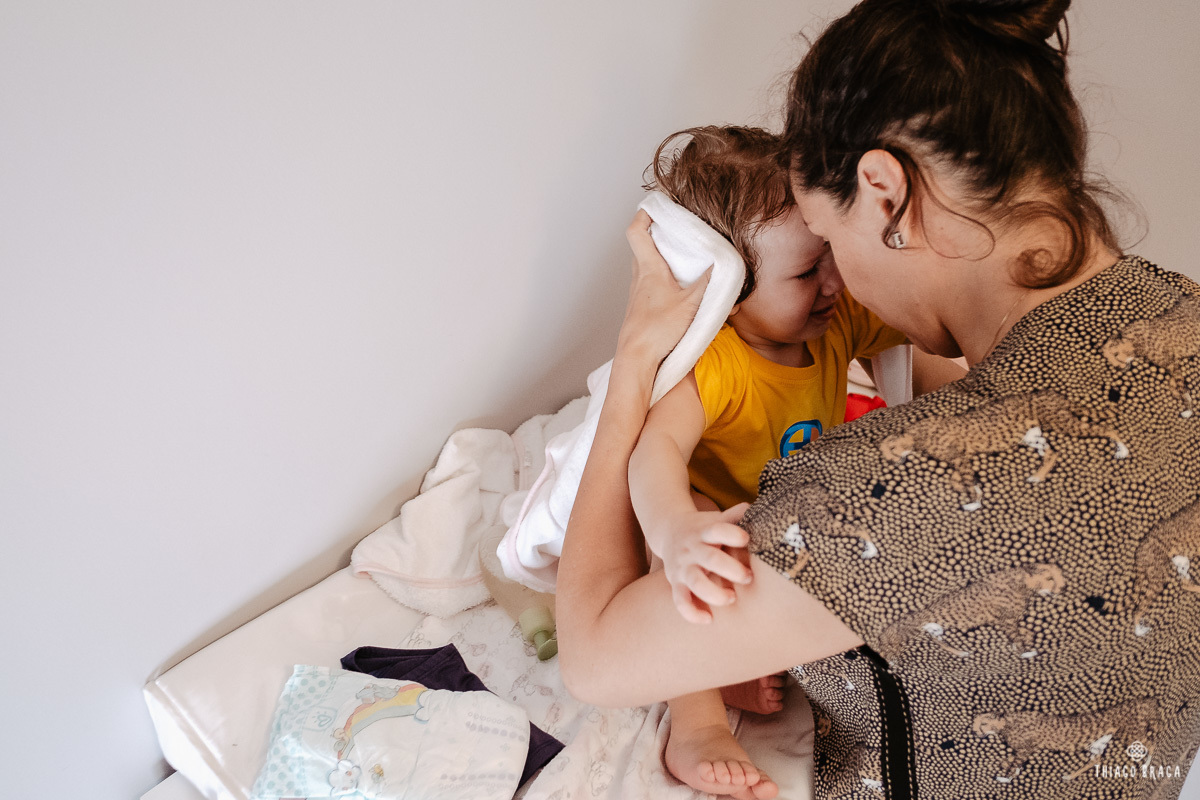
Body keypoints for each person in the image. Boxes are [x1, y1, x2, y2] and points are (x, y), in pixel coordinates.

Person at [555, 1, 1200, 799]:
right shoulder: (1181, 314)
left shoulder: (883, 500)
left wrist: (634, 357)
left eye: (830, 238)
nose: (841, 284)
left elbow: (592, 655)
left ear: (884, 193)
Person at [627, 125, 926, 795]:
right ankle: (698, 721)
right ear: (727, 290)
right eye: (805, 273)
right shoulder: (719, 364)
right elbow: (653, 453)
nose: (833, 282)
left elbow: (922, 325)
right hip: (721, 527)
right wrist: (675, 530)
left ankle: (745, 663)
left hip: (794, 517)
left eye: (831, 255)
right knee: (695, 546)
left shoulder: (836, 321)